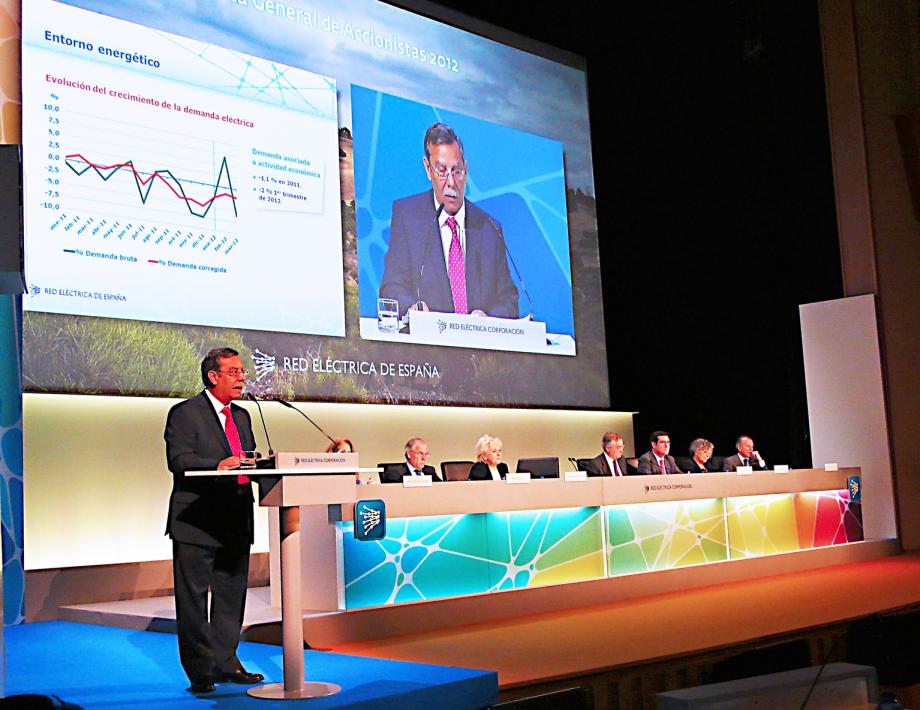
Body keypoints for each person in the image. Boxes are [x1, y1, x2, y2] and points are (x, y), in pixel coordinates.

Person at [164, 347, 265, 694]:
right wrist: (218, 464)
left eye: (242, 371)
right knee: (193, 599)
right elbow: (179, 460)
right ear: (213, 376)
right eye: (234, 372)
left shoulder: (243, 416)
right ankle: (200, 671)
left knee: (231, 595)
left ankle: (226, 661)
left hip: (236, 518)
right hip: (197, 520)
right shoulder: (184, 413)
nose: (242, 378)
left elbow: (249, 459)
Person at [378, 122, 519, 319]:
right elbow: (391, 287)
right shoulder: (407, 217)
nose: (451, 182)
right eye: (442, 171)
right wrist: (412, 307)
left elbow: (508, 300)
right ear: (428, 169)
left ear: (466, 169)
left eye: (457, 171)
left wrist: (488, 319)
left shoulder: (489, 227)